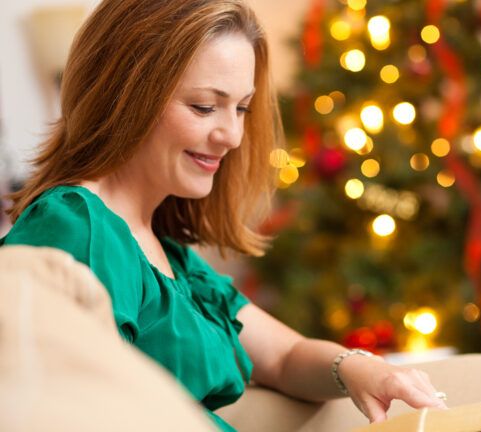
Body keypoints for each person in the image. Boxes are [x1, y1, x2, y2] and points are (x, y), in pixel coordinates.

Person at [0, 0, 448, 430]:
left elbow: (283, 356)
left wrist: (361, 369)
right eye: (203, 106)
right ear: (126, 96)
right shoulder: (77, 227)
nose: (232, 135)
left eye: (242, 108)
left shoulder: (165, 252)